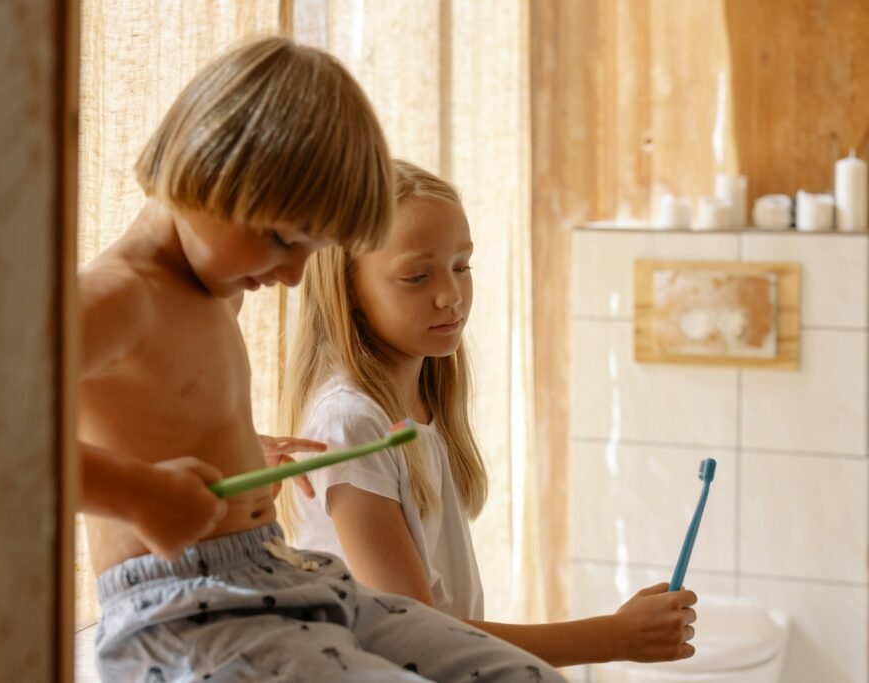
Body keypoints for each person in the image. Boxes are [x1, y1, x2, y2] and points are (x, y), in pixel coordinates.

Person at [79, 37, 565, 682]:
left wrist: (243, 452)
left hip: (273, 571)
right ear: (208, 169)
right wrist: (140, 495)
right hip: (179, 611)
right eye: (283, 239)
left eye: (312, 248)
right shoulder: (117, 296)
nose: (291, 274)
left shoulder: (213, 288)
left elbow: (153, 410)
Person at [278, 158, 698, 667]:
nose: (450, 296)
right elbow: (413, 635)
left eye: (462, 266)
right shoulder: (350, 423)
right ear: (348, 291)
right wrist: (610, 638)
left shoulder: (422, 404)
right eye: (416, 276)